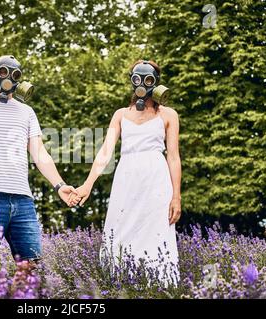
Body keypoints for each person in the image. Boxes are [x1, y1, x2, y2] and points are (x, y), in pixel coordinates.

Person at [0, 55, 77, 262]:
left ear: (20, 80)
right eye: (3, 72)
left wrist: (59, 185)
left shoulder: (26, 112)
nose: (7, 77)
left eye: (14, 74)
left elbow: (39, 153)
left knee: (31, 264)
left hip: (22, 199)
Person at [72, 60, 182, 285]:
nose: (143, 84)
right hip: (126, 178)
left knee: (156, 231)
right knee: (121, 228)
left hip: (156, 180)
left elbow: (173, 157)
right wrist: (87, 184)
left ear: (156, 83)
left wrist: (176, 196)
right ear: (132, 81)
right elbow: (105, 152)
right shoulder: (121, 114)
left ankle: (159, 288)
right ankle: (119, 287)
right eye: (138, 78)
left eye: (149, 80)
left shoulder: (169, 115)